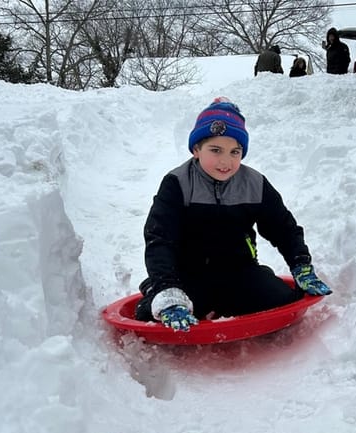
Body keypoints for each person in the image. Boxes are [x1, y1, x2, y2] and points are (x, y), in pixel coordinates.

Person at [134, 97, 332, 331]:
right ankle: (155, 287)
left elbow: (282, 227)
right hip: (189, 275)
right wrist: (167, 286)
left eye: (235, 152)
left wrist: (300, 264)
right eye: (215, 150)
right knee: (148, 315)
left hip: (239, 272)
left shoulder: (254, 183)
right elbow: (160, 238)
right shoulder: (178, 183)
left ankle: (230, 299)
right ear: (196, 149)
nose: (225, 161)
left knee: (282, 299)